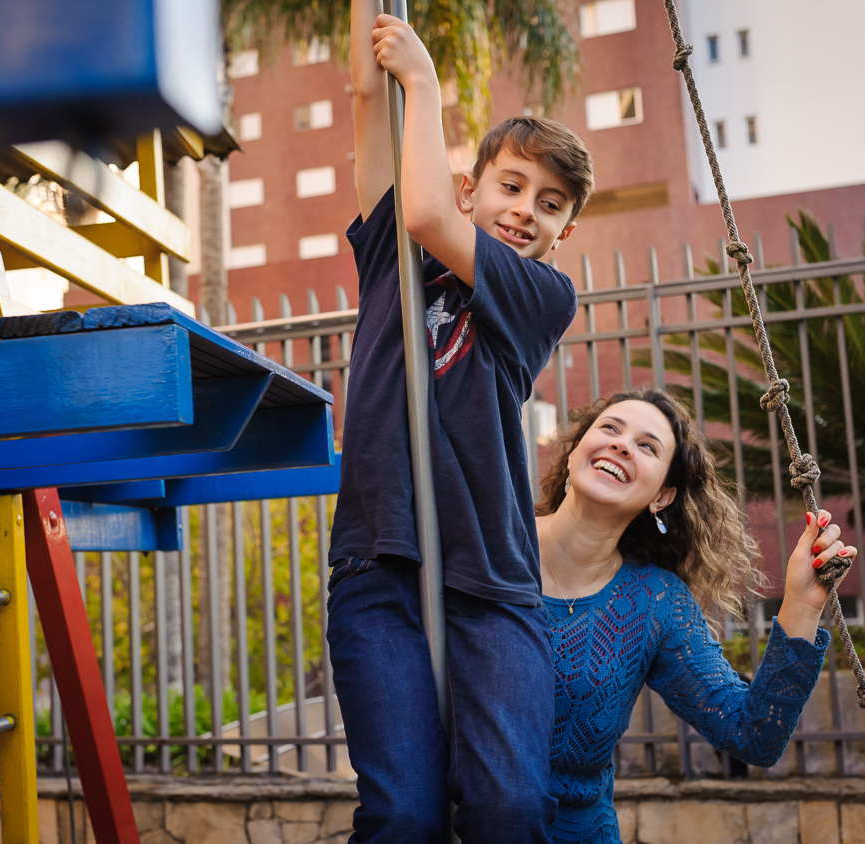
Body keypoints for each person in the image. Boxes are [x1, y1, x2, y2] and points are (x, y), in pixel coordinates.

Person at [324, 0, 594, 841]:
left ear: (564, 232)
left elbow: (429, 215)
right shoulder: (390, 261)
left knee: (508, 807)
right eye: (511, 187)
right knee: (403, 815)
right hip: (380, 559)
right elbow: (368, 97)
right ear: (472, 187)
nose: (525, 211)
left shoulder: (541, 295)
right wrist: (380, 41)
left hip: (491, 581)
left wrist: (427, 80)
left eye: (549, 204)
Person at [536, 390, 847, 843]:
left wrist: (802, 604)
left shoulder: (656, 602)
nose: (622, 445)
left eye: (647, 446)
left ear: (662, 496)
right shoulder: (488, 548)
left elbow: (753, 735)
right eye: (610, 429)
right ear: (574, 452)